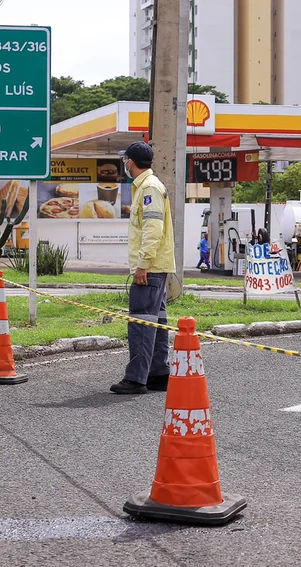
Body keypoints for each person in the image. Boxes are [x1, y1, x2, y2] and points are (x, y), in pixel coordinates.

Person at [110, 141, 176, 395]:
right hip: (157, 267)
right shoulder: (148, 186)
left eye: (125, 160)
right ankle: (158, 374)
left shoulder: (149, 188)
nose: (124, 164)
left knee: (140, 322)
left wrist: (142, 266)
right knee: (156, 321)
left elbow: (152, 230)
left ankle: (136, 379)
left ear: (130, 161)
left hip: (150, 268)